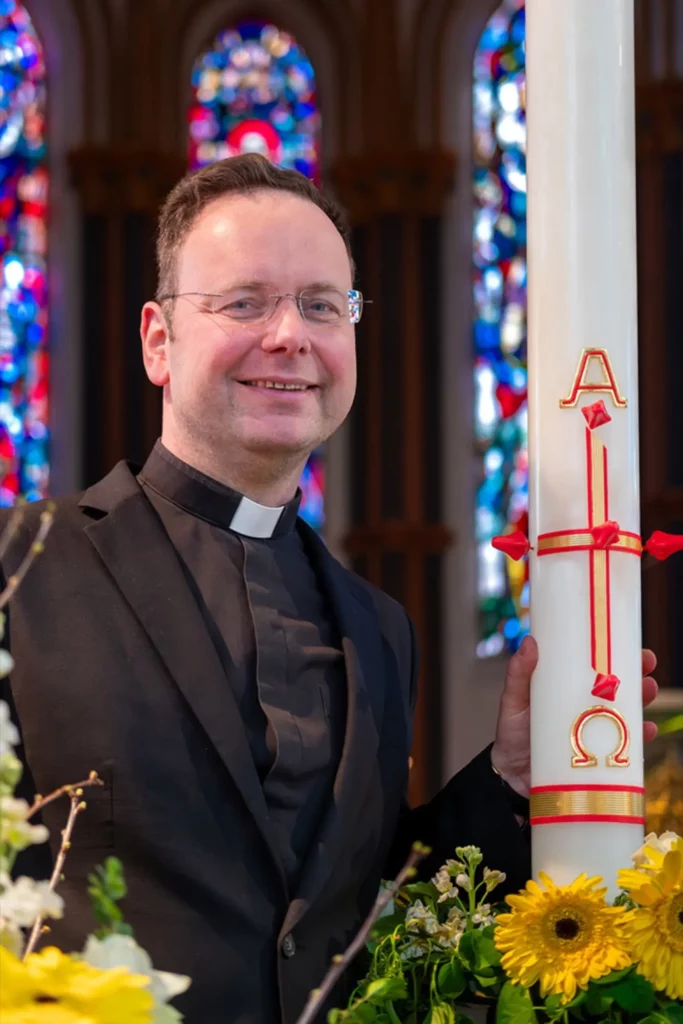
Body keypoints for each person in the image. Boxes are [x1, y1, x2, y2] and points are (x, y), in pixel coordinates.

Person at [0, 154, 658, 1024]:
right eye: (244, 301)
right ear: (159, 340)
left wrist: (507, 778)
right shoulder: (24, 564)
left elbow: (365, 914)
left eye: (321, 304)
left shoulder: (378, 628)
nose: (289, 335)